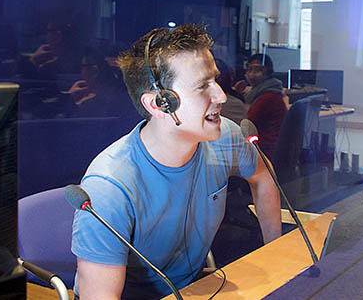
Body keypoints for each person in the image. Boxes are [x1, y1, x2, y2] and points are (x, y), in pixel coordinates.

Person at [71, 24, 282, 299]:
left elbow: (264, 176)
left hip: (194, 289)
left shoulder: (225, 137)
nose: (220, 96)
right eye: (202, 86)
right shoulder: (109, 187)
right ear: (159, 104)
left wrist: (275, 256)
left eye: (215, 80)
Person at [233, 54, 288, 158]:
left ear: (268, 73)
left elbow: (246, 126)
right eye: (249, 70)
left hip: (264, 149)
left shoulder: (269, 97)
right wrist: (238, 94)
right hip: (266, 146)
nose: (252, 75)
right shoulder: (262, 92)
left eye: (258, 70)